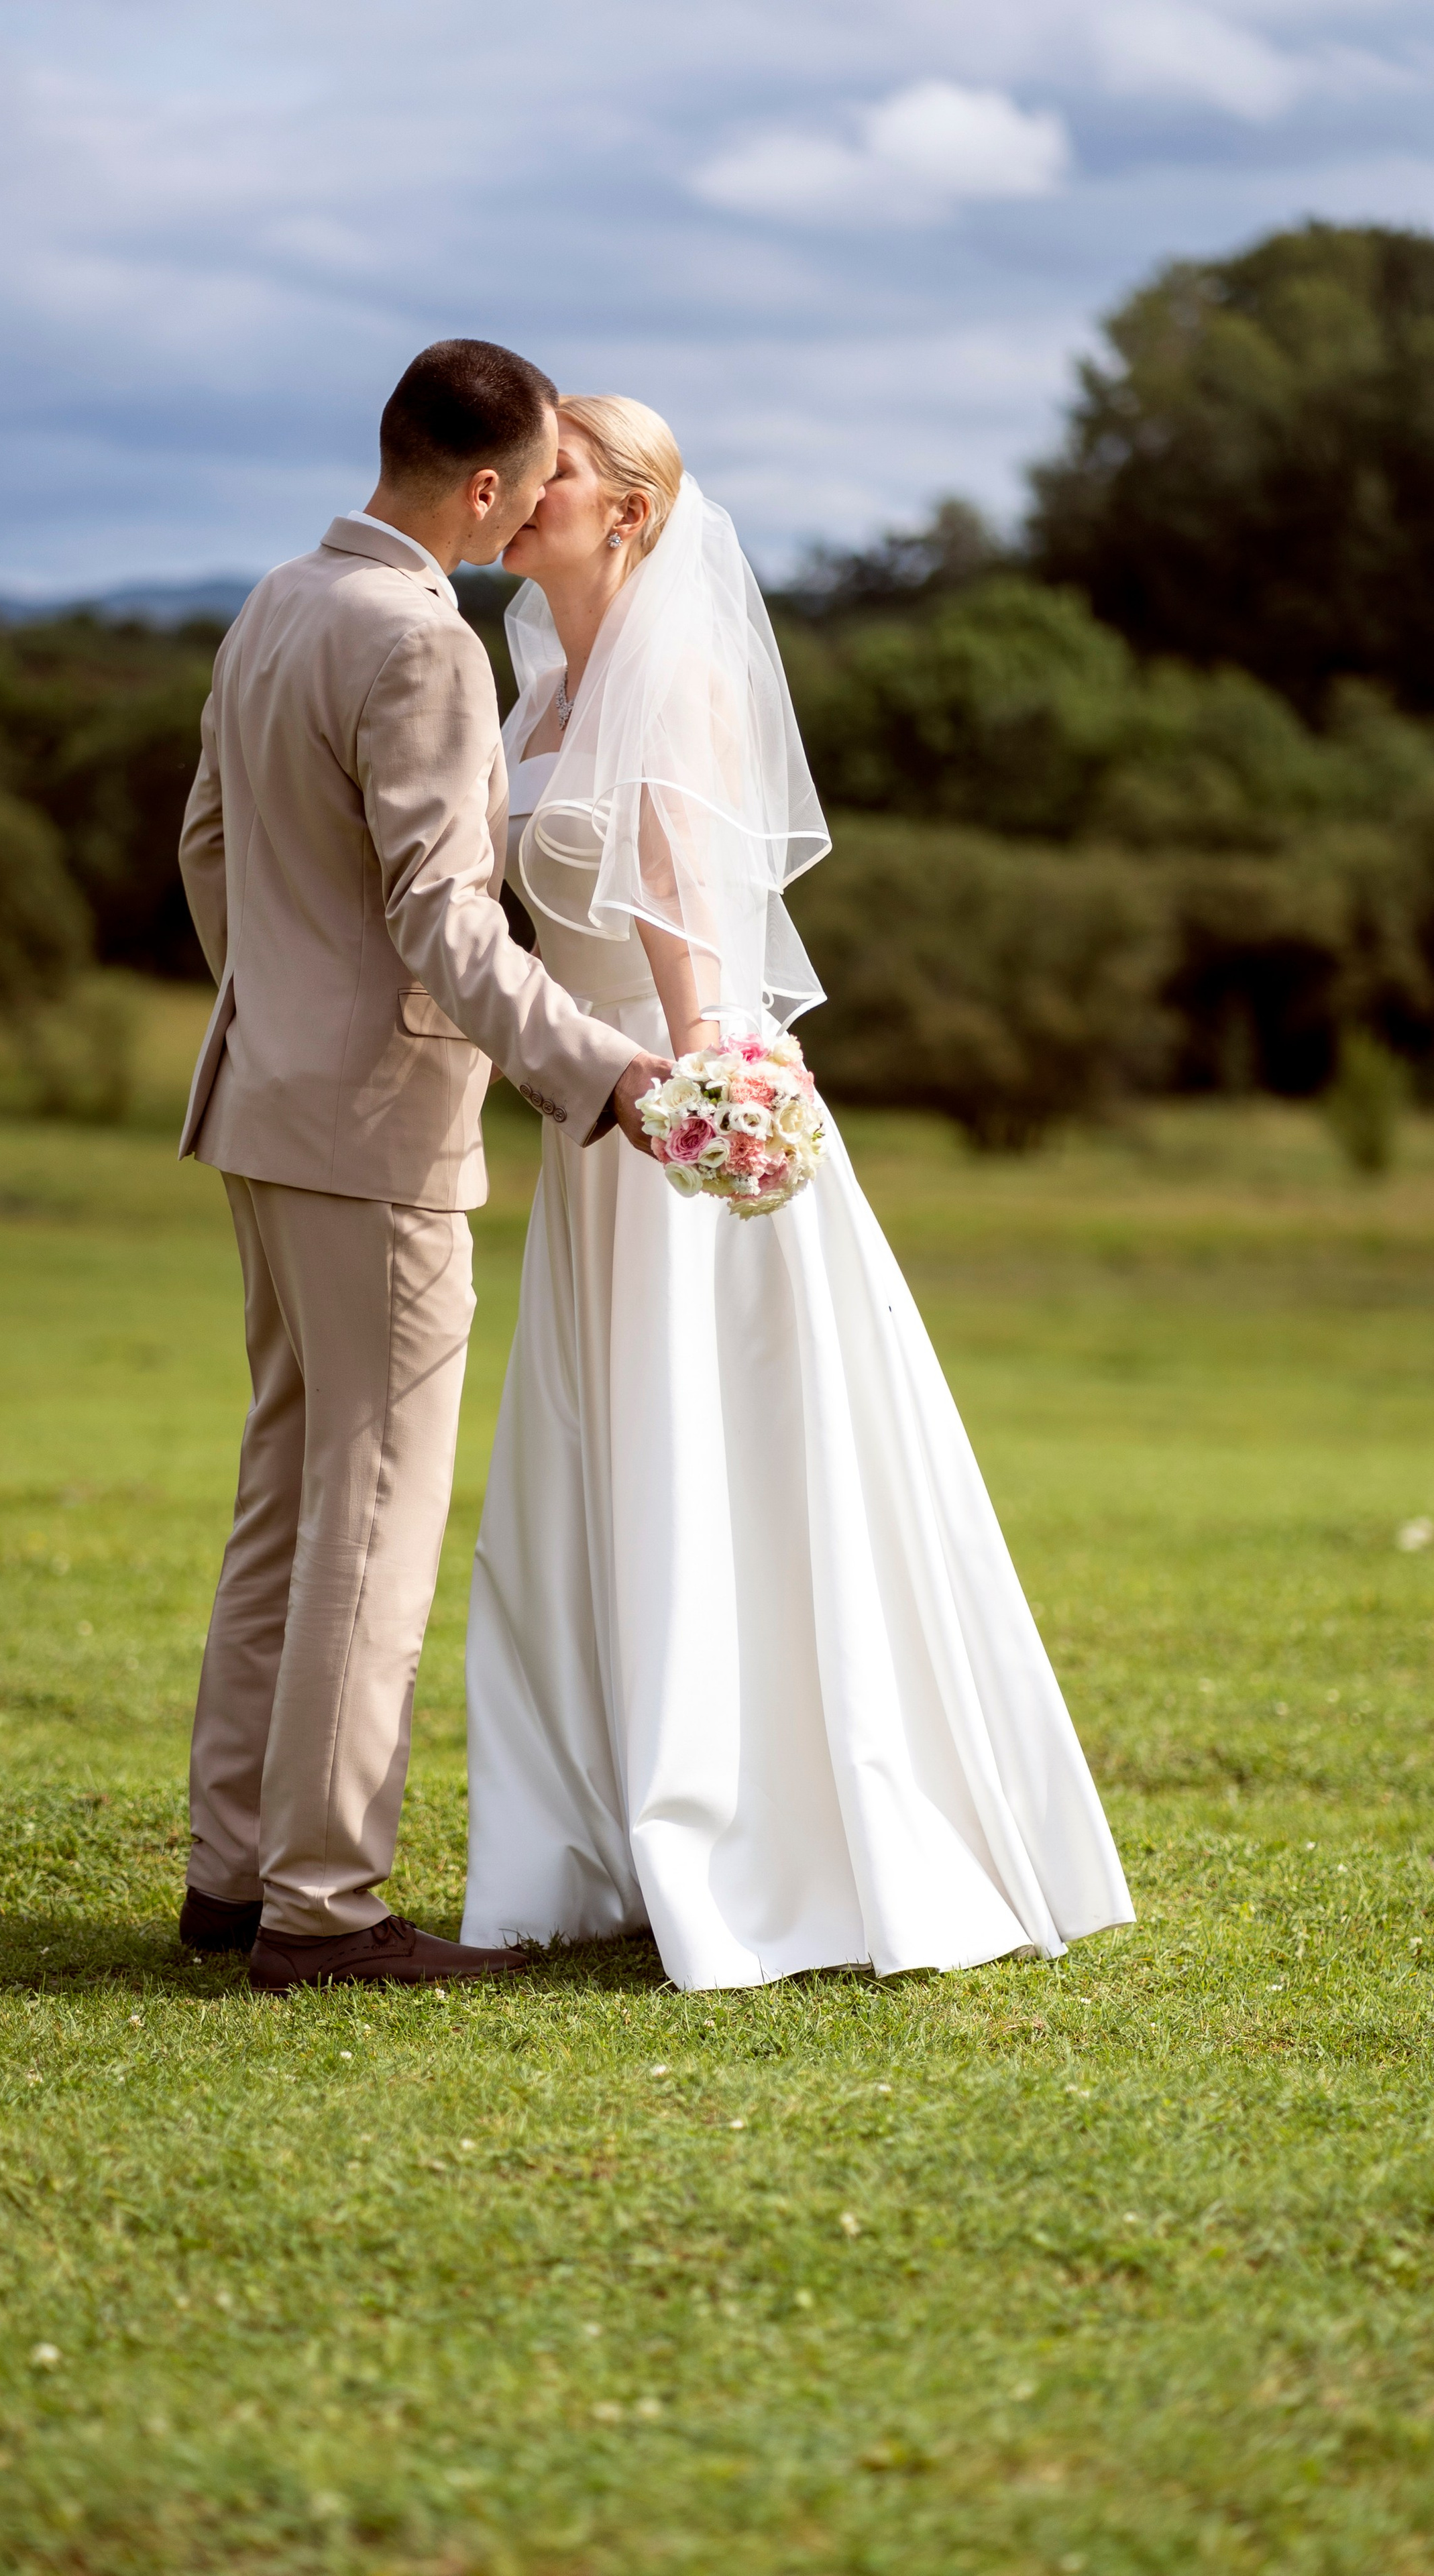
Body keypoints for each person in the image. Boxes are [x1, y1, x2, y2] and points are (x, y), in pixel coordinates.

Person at [460, 397, 1135, 1991]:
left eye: (547, 471)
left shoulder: (668, 674)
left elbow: (691, 903)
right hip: (593, 1107)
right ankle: (611, 1820)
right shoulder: (536, 675)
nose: (516, 494)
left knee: (717, 1447)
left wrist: (712, 1090)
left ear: (623, 509)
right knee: (604, 1451)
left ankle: (761, 1836)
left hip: (673, 1108)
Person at [174, 343, 671, 1992]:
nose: (538, 512)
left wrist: (283, 1010)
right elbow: (446, 918)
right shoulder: (423, 642)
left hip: (262, 1106)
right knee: (371, 1518)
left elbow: (205, 845)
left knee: (284, 1497)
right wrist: (604, 1073)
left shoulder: (273, 601)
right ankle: (322, 1907)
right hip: (375, 1131)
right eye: (531, 487)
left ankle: (228, 1876)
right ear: (479, 489)